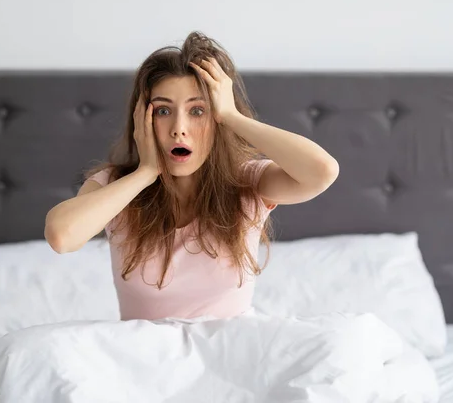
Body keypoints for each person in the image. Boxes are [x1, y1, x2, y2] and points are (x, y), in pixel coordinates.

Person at [44, 31, 339, 321]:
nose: (179, 128)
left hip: (231, 353)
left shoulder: (248, 182)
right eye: (162, 111)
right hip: (146, 358)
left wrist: (232, 117)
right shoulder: (115, 186)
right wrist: (146, 172)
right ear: (141, 119)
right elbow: (61, 236)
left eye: (197, 111)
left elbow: (322, 172)